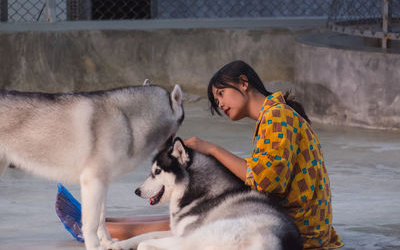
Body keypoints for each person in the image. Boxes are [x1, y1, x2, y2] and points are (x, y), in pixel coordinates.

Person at [57, 60, 343, 249]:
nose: (219, 104)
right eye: (216, 100)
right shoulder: (277, 114)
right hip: (297, 224)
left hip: (293, 232)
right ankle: (107, 225)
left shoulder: (277, 117)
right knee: (192, 214)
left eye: (220, 95)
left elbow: (266, 182)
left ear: (243, 83)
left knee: (192, 222)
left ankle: (102, 229)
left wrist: (211, 149)